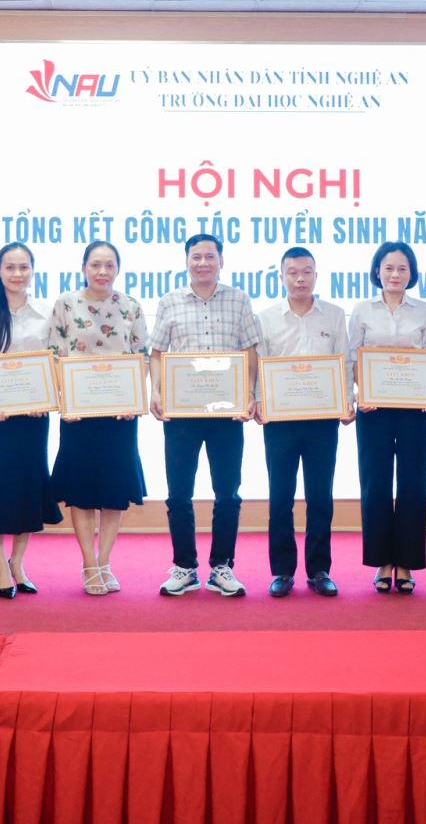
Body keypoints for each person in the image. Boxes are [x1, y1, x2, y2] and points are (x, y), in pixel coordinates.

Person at [149, 234, 261, 598]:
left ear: (221, 261)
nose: (202, 263)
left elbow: (250, 350)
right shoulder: (169, 301)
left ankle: (221, 567)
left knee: (228, 493)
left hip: (227, 414)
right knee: (178, 493)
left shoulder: (239, 299)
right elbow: (157, 352)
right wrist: (156, 391)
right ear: (186, 261)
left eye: (209, 256)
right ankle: (184, 567)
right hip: (181, 414)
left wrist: (249, 394)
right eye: (195, 257)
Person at [47, 240, 149, 596]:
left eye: (109, 265)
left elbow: (142, 356)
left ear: (117, 269)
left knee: (114, 491)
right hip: (79, 414)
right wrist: (65, 400)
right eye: (95, 265)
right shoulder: (66, 303)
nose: (102, 271)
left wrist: (133, 398)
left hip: (120, 414)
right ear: (84, 268)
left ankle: (104, 562)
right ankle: (89, 564)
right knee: (82, 490)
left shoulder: (131, 306)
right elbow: (54, 354)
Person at [0, 242, 62, 598]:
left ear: (32, 271)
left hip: (33, 417)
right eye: (10, 267)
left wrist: (47, 399)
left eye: (23, 267)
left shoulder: (46, 313)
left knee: (27, 487)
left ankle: (17, 562)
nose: (17, 274)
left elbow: (53, 362)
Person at [255, 247, 351, 598]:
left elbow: (344, 362)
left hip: (323, 420)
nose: (300, 279)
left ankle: (319, 569)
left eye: (306, 272)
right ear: (281, 277)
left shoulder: (335, 315)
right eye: (293, 273)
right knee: (280, 496)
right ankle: (282, 570)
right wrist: (259, 402)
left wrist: (346, 401)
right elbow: (259, 366)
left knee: (320, 496)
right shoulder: (265, 318)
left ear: (315, 275)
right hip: (280, 421)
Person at [349, 240, 426, 594]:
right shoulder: (362, 310)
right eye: (388, 268)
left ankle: (407, 563)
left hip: (415, 410)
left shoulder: (424, 310)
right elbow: (353, 357)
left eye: (402, 268)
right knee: (376, 485)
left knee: (413, 484)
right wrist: (362, 393)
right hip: (374, 410)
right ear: (377, 271)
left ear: (411, 273)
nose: (395, 274)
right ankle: (383, 562)